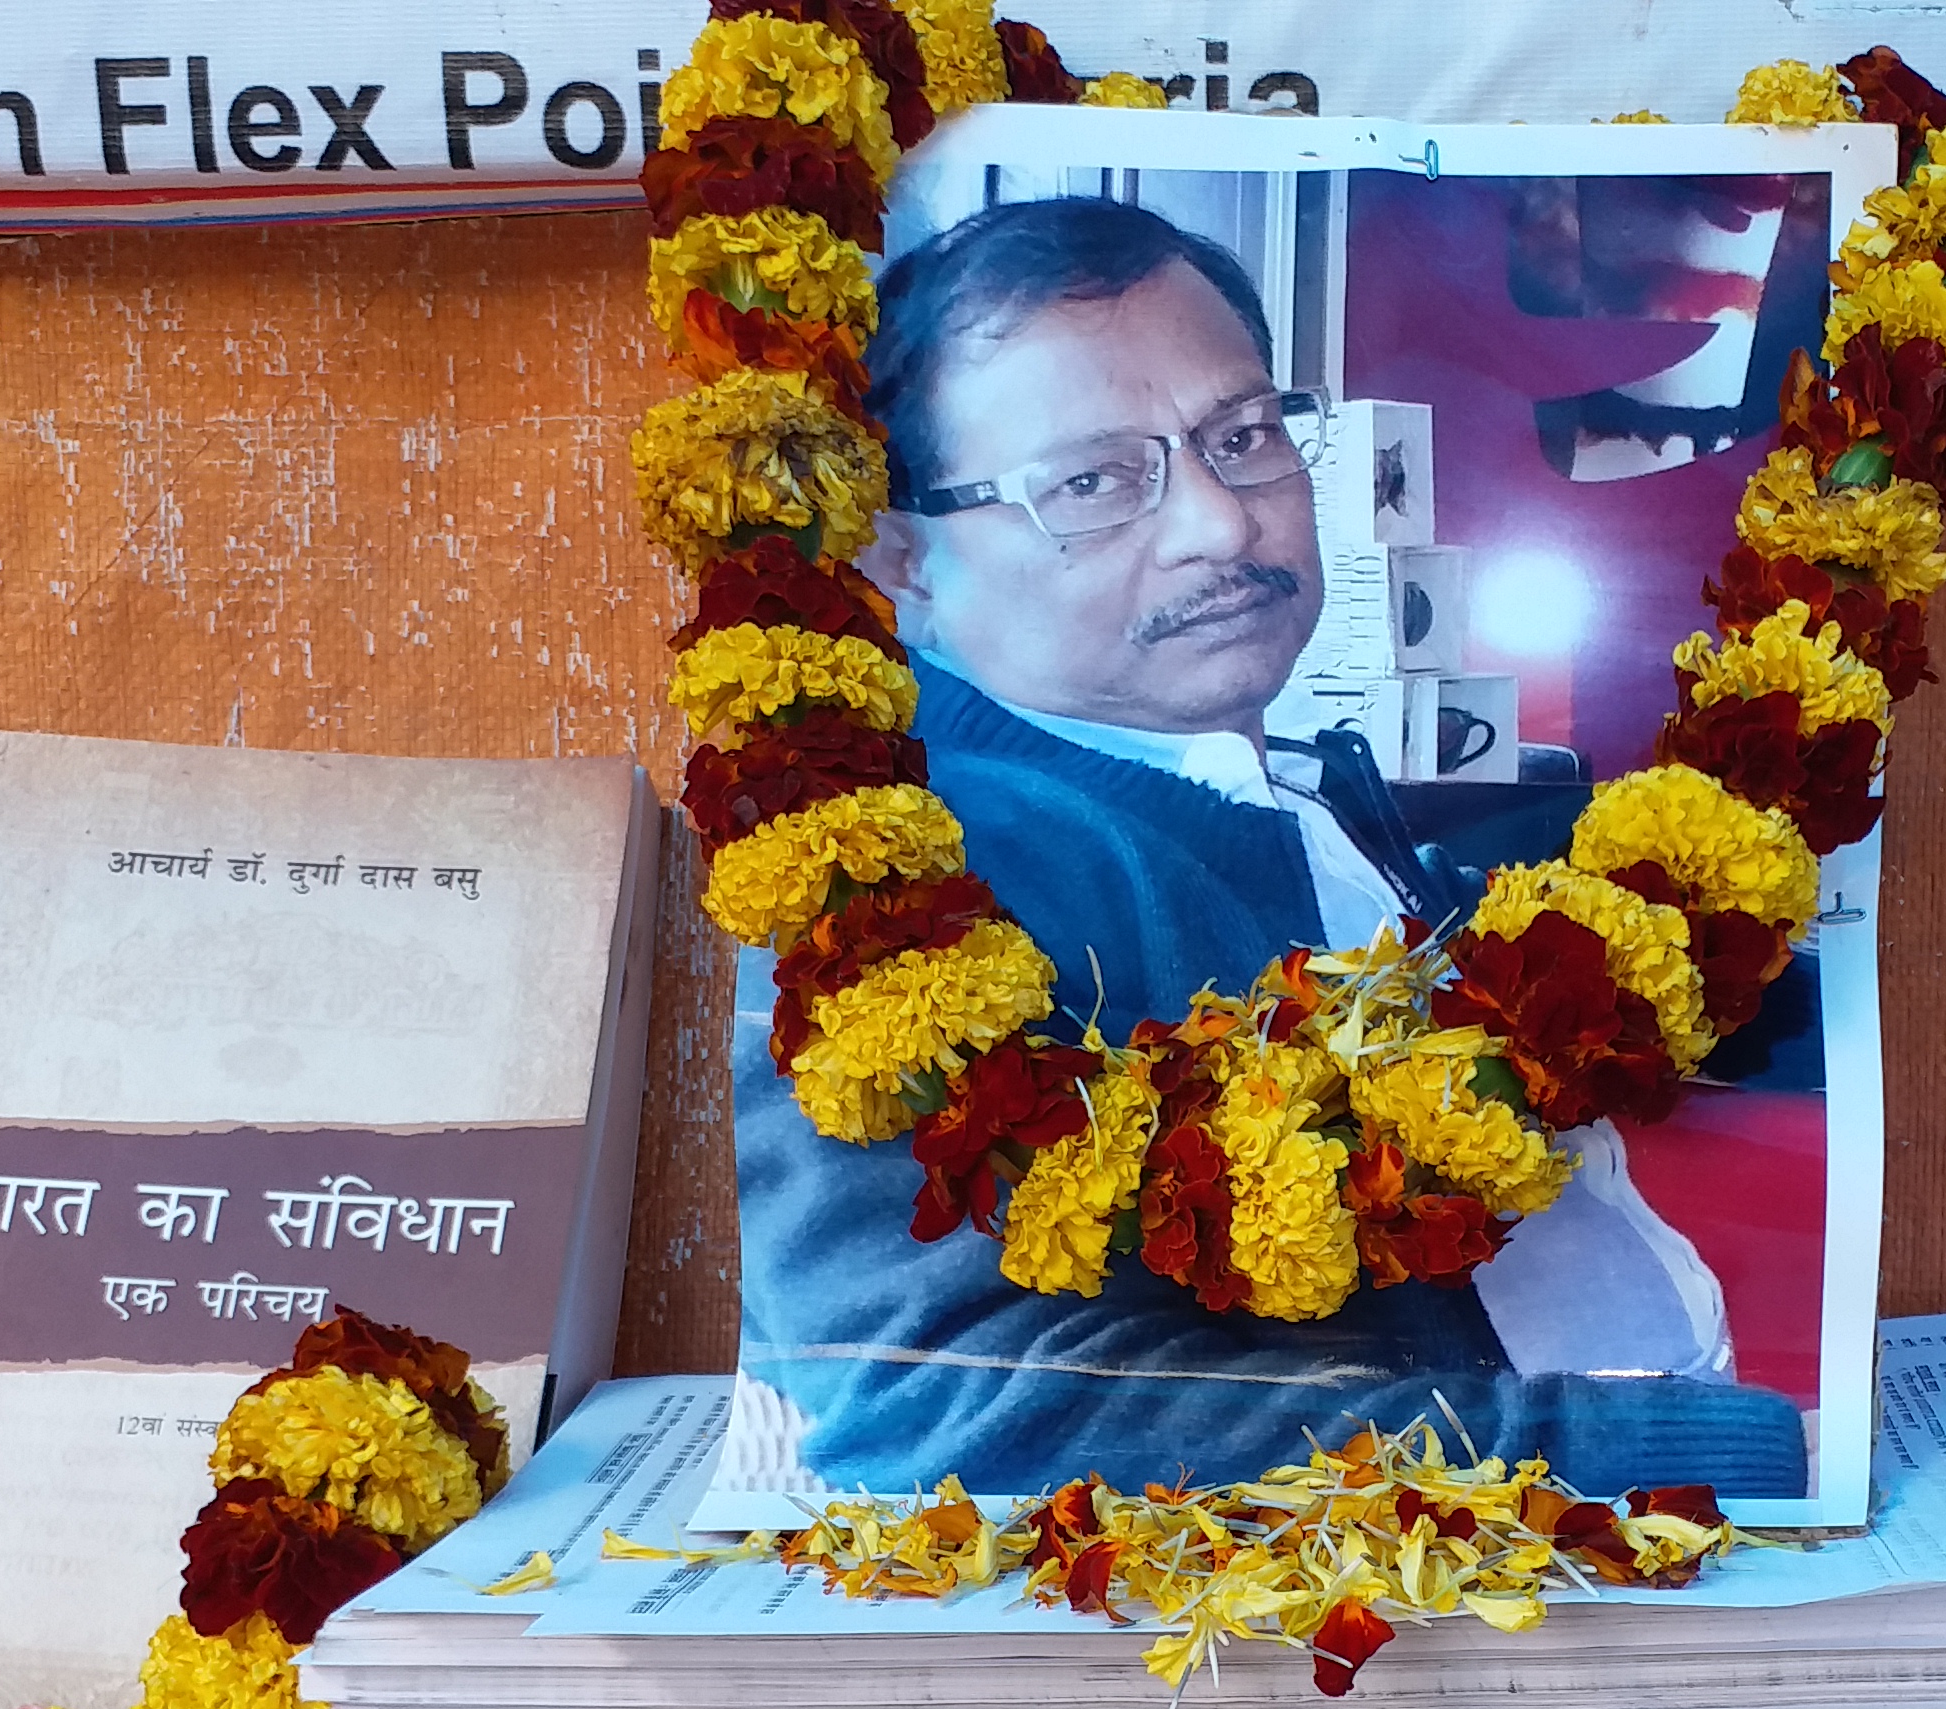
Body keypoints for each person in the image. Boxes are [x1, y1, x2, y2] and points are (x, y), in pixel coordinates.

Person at [726, 192, 1809, 1497]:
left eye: (1242, 438)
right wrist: (1717, 1455)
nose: (1222, 527)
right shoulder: (914, 885)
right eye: (1091, 483)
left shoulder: (1248, 769)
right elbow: (969, 1421)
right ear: (903, 562)